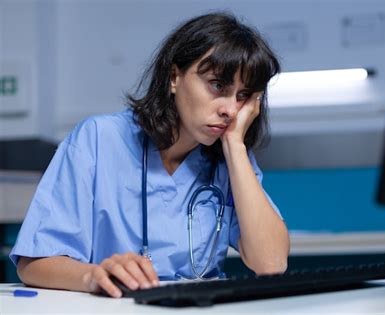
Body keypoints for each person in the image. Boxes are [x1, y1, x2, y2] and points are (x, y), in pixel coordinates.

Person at [10, 12, 289, 298]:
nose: (230, 110)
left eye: (243, 96)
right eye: (218, 86)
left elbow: (270, 263)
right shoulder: (98, 140)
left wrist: (234, 144)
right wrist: (94, 276)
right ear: (174, 77)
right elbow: (34, 263)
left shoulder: (231, 160)